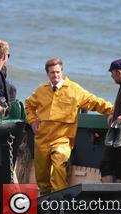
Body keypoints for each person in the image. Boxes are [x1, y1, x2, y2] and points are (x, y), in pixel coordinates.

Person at [25, 58, 114, 195]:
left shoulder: (74, 89)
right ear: (47, 74)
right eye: (52, 73)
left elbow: (95, 102)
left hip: (62, 138)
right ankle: (45, 201)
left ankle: (59, 201)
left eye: (58, 72)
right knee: (42, 178)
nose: (55, 75)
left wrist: (114, 110)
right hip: (42, 139)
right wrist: (32, 121)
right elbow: (29, 105)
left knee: (59, 164)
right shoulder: (41, 91)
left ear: (62, 71)